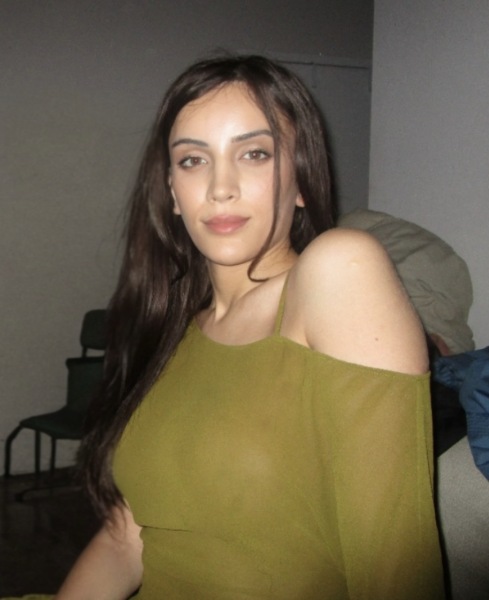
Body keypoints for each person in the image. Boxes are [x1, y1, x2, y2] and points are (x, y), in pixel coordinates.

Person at [55, 54, 445, 599]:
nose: (221, 187)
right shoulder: (173, 333)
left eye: (255, 153)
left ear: (301, 179)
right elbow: (128, 536)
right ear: (172, 192)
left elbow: (395, 569)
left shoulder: (339, 271)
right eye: (193, 160)